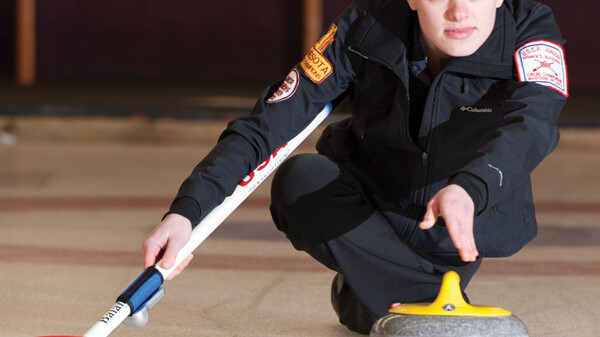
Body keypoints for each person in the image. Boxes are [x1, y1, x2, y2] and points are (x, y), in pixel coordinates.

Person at [142, 0, 568, 334]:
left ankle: (374, 290)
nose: (458, 11)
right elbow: (268, 124)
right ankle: (430, 303)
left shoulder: (530, 29)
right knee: (299, 181)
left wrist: (470, 188)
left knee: (379, 298)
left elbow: (534, 124)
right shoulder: (364, 25)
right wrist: (187, 211)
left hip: (458, 224)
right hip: (370, 211)